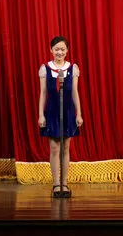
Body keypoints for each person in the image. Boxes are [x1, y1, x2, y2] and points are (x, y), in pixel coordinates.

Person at [38, 36, 83, 198]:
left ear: (67, 51)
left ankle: (65, 182)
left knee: (65, 147)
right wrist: (40, 115)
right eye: (56, 49)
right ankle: (56, 183)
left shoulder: (72, 68)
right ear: (51, 50)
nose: (60, 52)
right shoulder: (45, 68)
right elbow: (43, 93)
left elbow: (75, 92)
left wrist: (79, 114)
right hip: (52, 111)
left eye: (63, 49)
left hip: (68, 111)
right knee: (54, 148)